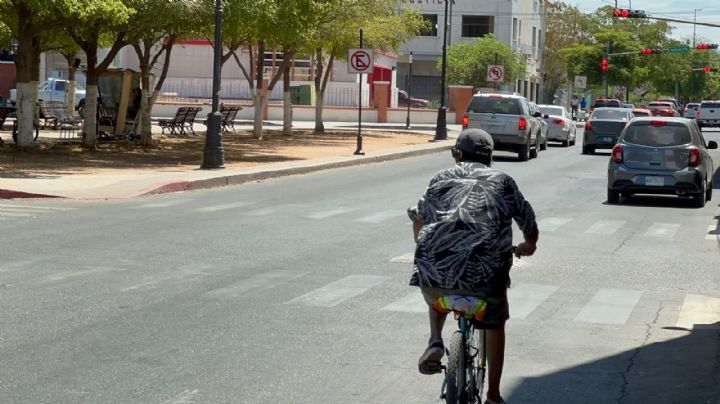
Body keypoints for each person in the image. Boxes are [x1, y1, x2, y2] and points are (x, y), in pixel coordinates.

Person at [407, 129, 539, 404]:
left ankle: (435, 340)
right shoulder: (503, 181)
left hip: (435, 273)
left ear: (457, 154)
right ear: (490, 157)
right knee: (494, 323)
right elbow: (527, 219)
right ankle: (493, 395)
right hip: (485, 278)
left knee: (437, 293)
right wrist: (529, 244)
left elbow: (417, 217)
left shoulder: (440, 177)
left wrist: (426, 248)